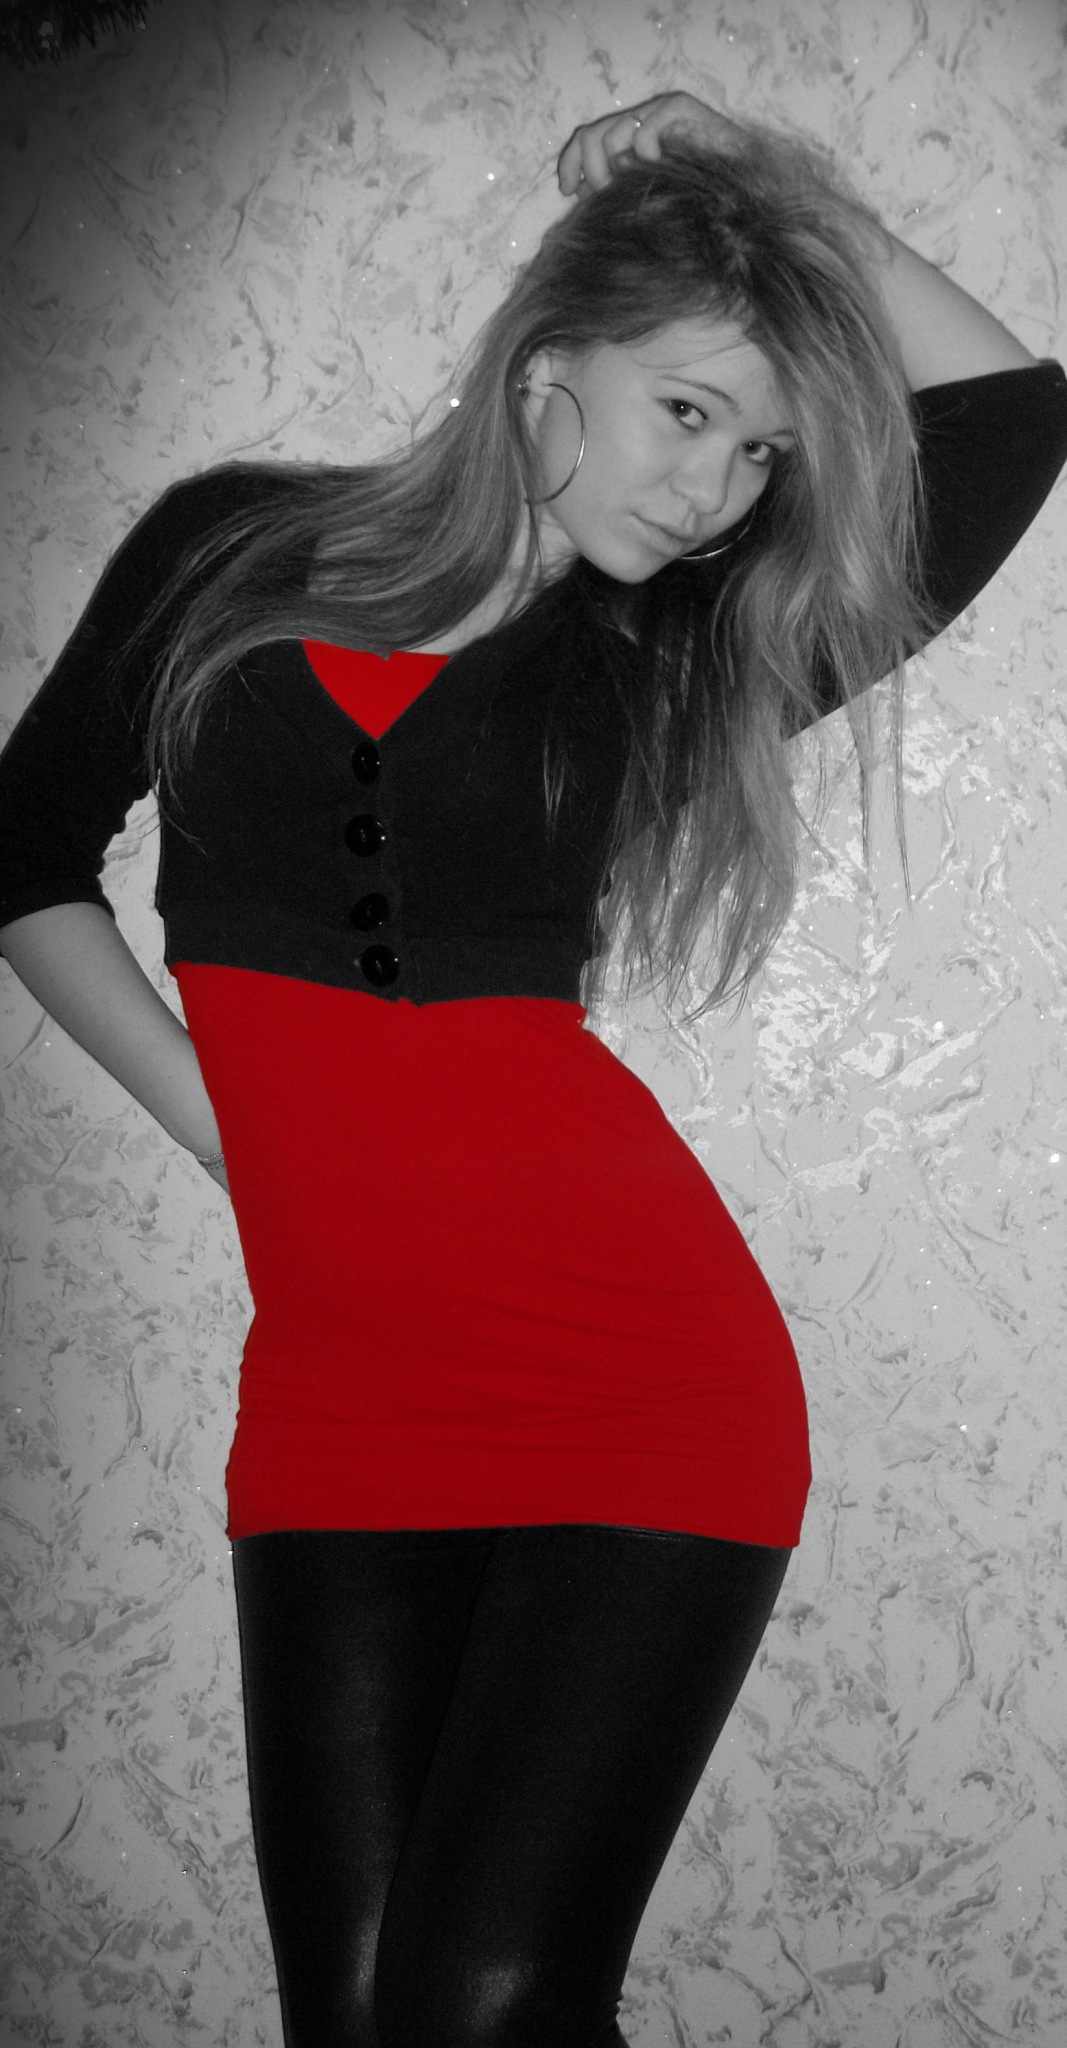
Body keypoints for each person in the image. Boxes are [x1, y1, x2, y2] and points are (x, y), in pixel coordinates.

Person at [1, 88, 1064, 2048]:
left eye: (760, 452)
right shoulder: (229, 547)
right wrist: (224, 1128)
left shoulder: (663, 660)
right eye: (690, 411)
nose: (719, 490)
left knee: (485, 2007)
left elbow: (1011, 421)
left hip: (638, 1390)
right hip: (335, 1398)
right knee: (358, 2017)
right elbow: (14, 849)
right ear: (547, 358)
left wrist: (770, 186)